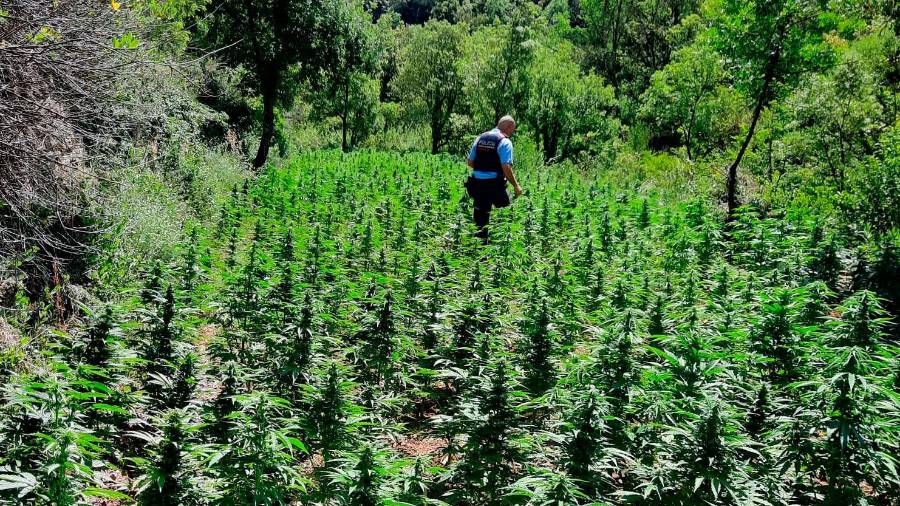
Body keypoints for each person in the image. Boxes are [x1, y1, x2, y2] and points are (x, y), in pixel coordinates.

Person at [464, 115, 523, 241]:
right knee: (506, 215)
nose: (512, 132)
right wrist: (516, 185)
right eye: (512, 129)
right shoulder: (505, 141)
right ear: (508, 127)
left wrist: (484, 167)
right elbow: (506, 167)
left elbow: (470, 162)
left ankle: (480, 250)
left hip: (477, 185)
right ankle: (502, 244)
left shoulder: (480, 138)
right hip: (494, 185)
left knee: (480, 220)